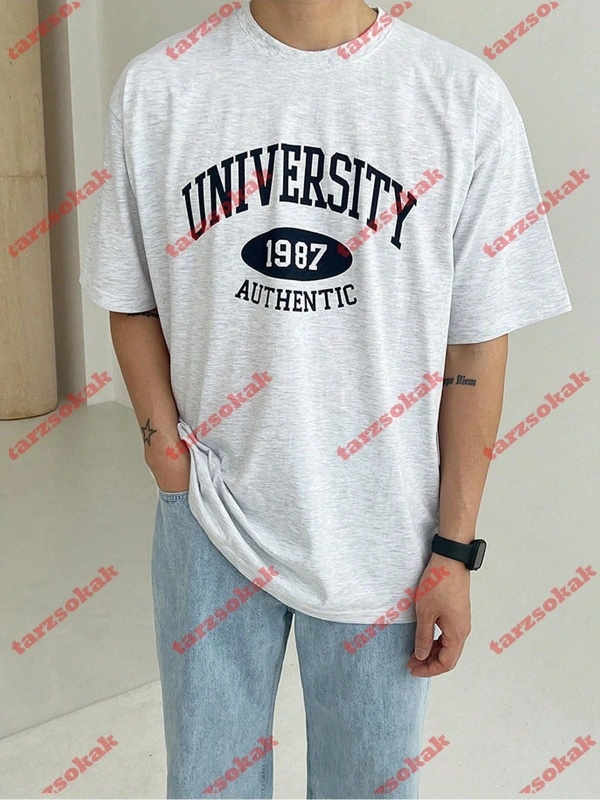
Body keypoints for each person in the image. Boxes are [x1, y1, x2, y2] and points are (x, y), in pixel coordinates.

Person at [81, 1, 572, 797]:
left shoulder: (460, 96)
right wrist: (166, 457)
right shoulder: (159, 89)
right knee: (207, 783)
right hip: (210, 513)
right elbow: (128, 296)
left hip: (384, 534)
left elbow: (476, 343)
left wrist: (454, 549)